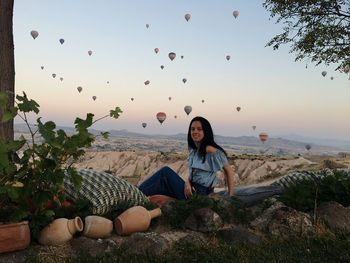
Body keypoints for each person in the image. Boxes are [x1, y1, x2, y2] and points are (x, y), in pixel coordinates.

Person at [138, 116, 234, 200]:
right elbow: (195, 174)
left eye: (199, 129)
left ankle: (135, 194)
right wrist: (187, 182)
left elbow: (228, 170)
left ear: (206, 131)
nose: (195, 132)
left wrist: (230, 196)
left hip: (199, 194)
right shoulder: (195, 151)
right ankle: (139, 198)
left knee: (165, 172)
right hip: (191, 190)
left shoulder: (210, 149)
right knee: (161, 188)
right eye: (192, 129)